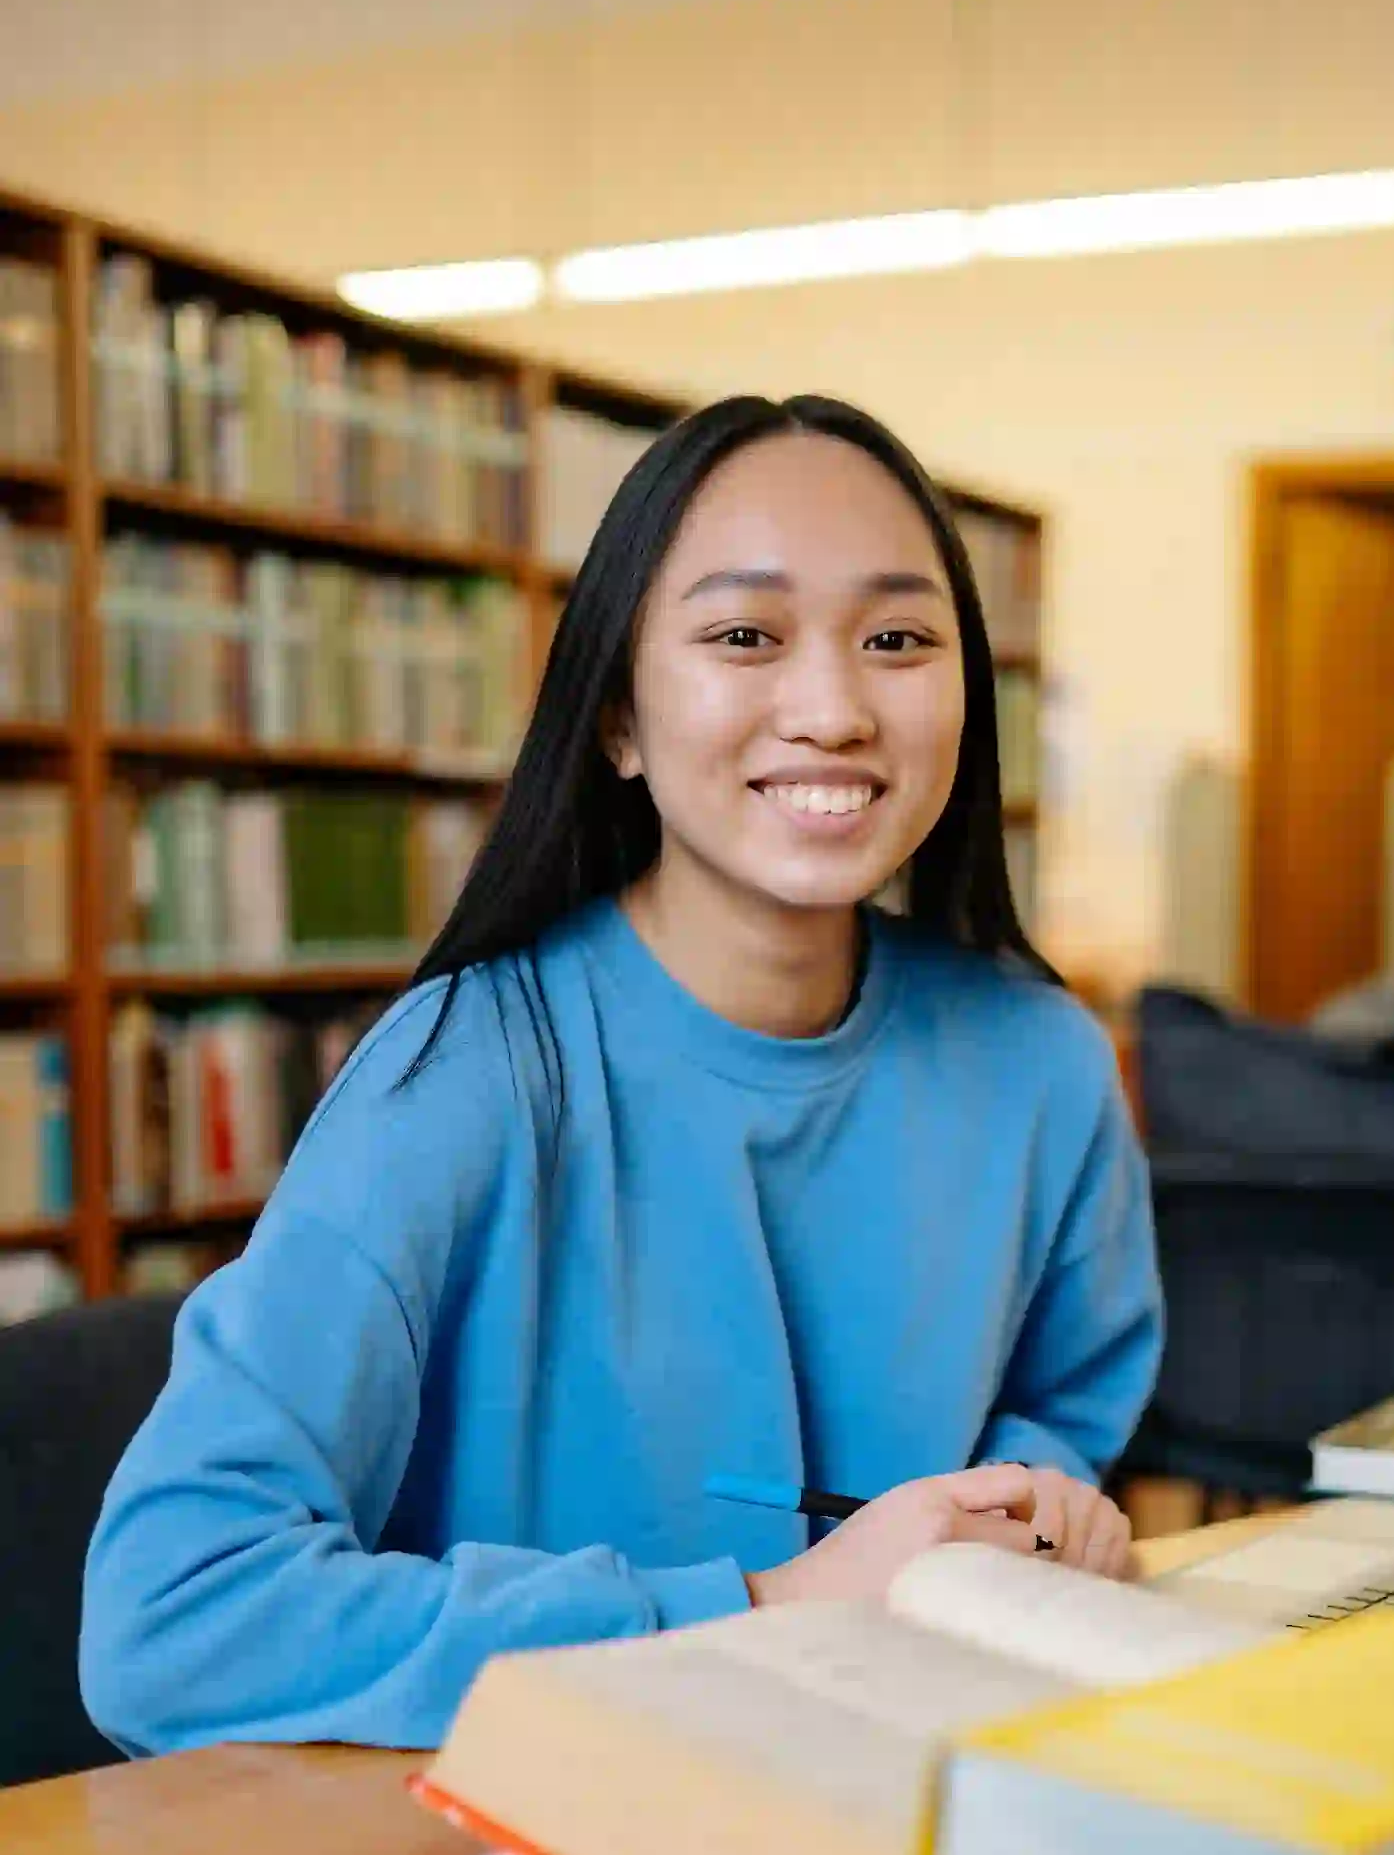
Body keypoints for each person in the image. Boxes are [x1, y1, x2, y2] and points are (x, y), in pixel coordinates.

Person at [79, 395, 1162, 1752]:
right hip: (500, 1854)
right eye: (743, 637)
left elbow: (1063, 1408)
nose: (830, 709)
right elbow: (169, 1622)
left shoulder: (1041, 1059)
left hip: (891, 1785)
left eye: (896, 640)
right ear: (618, 722)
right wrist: (770, 1603)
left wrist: (1030, 1508)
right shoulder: (459, 1077)